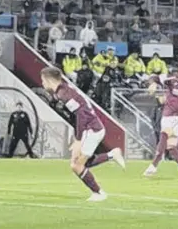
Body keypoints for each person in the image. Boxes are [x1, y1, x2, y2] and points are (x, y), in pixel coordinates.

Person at [41, 67, 125, 201]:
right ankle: (111, 155)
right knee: (81, 163)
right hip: (92, 128)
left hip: (91, 129)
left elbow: (81, 115)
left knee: (76, 165)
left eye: (43, 80)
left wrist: (78, 140)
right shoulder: (62, 90)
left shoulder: (64, 94)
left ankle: (99, 193)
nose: (42, 83)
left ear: (49, 79)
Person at [143, 62, 178, 182]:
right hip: (167, 115)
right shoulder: (171, 80)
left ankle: (154, 164)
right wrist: (152, 83)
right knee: (171, 146)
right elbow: (155, 77)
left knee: (166, 132)